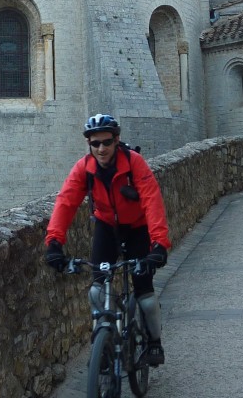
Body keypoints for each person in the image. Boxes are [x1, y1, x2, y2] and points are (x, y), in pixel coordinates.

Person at [44, 113, 171, 366]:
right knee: (97, 289)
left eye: (106, 142)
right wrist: (54, 242)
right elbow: (66, 202)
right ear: (89, 144)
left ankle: (154, 342)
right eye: (95, 143)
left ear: (117, 141)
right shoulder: (84, 168)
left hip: (138, 229)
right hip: (107, 228)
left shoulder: (134, 163)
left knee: (145, 293)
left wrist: (159, 244)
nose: (101, 149)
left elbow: (151, 200)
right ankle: (103, 341)